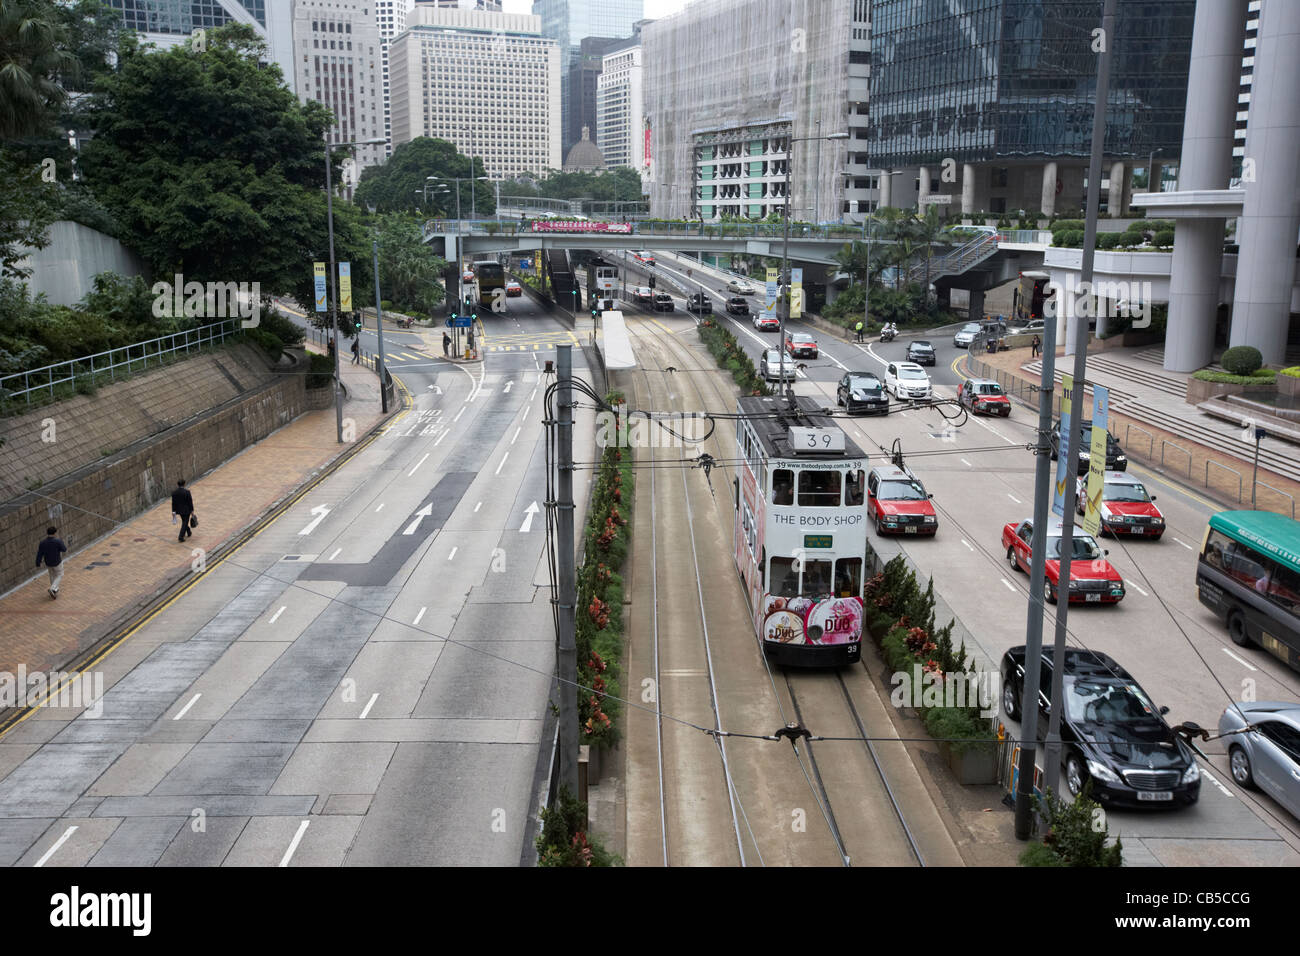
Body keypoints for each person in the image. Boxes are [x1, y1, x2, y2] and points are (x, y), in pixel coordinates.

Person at [36, 526, 67, 599]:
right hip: (57, 561)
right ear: (55, 533)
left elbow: (39, 553)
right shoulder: (58, 541)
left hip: (48, 562)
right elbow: (64, 549)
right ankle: (52, 588)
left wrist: (38, 562)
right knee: (60, 574)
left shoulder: (42, 543)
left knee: (52, 575)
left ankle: (55, 590)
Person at [172, 478, 195, 543]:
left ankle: (189, 532)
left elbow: (173, 503)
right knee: (185, 522)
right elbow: (190, 502)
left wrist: (173, 511)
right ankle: (181, 536)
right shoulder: (187, 492)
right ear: (184, 484)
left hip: (179, 510)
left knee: (184, 521)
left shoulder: (174, 493)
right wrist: (192, 510)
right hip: (186, 510)